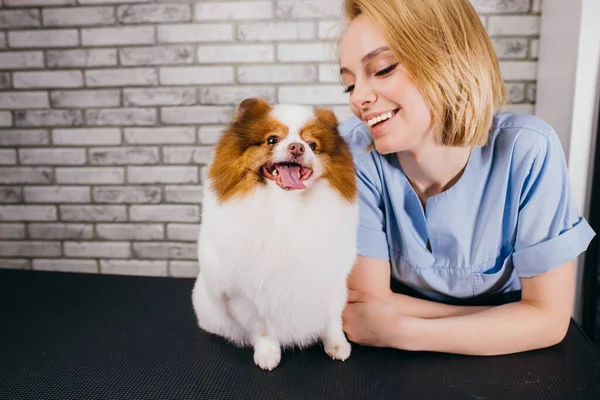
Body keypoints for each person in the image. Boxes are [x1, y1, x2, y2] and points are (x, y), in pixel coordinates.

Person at [337, 0, 596, 356]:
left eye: (382, 69)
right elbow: (364, 307)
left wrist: (400, 330)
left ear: (446, 57)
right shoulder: (354, 154)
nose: (360, 99)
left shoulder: (529, 149)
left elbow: (551, 322)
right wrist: (515, 320)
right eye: (349, 86)